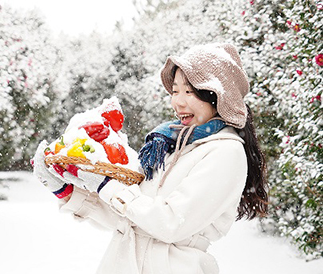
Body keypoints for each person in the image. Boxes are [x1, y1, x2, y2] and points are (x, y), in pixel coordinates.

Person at [32, 43, 268, 274]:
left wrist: (108, 186)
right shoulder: (170, 145)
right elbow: (131, 219)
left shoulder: (225, 153)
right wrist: (66, 191)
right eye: (175, 91)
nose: (178, 101)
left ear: (218, 97)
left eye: (189, 91)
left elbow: (171, 224)